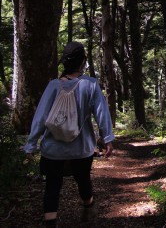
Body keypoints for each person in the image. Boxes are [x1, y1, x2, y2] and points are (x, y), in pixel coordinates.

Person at [24, 41, 115, 227]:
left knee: (52, 186)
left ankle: (50, 223)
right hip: (81, 148)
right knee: (83, 180)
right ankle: (88, 208)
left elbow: (40, 117)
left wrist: (31, 144)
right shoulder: (90, 85)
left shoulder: (53, 86)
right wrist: (108, 139)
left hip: (52, 150)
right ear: (83, 62)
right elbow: (101, 113)